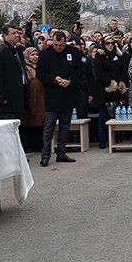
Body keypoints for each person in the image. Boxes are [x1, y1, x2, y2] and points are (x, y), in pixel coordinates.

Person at [36, 31, 81, 167]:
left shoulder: (74, 53)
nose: (58, 47)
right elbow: (40, 73)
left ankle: (61, 152)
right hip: (52, 95)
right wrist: (54, 79)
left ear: (65, 42)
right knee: (49, 127)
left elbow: (79, 71)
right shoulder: (45, 54)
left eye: (60, 45)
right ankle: (45, 155)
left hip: (68, 95)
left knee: (65, 126)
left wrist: (70, 81)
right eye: (55, 44)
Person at [94, 35, 128, 149]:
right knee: (103, 115)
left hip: (117, 90)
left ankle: (116, 138)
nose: (110, 45)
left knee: (116, 114)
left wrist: (121, 83)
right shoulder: (100, 55)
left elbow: (124, 70)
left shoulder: (119, 56)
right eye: (107, 43)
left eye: (112, 43)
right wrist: (110, 83)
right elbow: (99, 72)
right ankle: (103, 140)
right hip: (104, 90)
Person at [0, 24, 30, 120]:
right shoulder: (0, 52)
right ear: (5, 36)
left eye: (17, 33)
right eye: (13, 33)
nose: (17, 35)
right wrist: (2, 95)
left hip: (20, 95)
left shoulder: (18, 51)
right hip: (7, 98)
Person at [20, 47, 45, 152]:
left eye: (36, 55)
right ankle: (28, 145)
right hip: (29, 98)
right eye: (32, 55)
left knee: (40, 122)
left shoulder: (41, 67)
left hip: (41, 98)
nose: (35, 57)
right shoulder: (24, 68)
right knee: (27, 122)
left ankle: (39, 145)